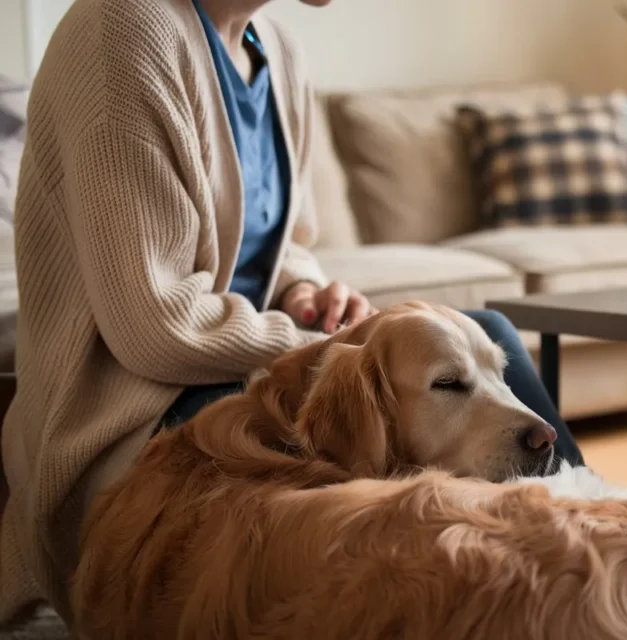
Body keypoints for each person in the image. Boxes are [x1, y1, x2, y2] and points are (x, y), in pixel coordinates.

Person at [0, 0, 583, 624]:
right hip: (137, 420)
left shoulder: (277, 46)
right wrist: (329, 347)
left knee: (490, 333)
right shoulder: (121, 30)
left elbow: (286, 246)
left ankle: (578, 551)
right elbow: (154, 327)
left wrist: (305, 293)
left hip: (247, 376)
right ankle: (547, 575)